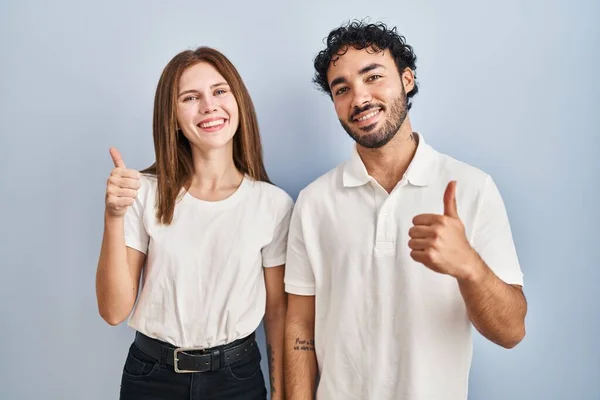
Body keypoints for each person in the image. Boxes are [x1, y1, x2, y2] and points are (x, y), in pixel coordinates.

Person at [283, 20, 528, 400]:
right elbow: (299, 323)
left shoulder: (473, 188)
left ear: (407, 79)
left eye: (373, 76)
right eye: (342, 89)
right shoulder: (314, 202)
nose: (359, 98)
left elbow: (511, 332)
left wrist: (469, 267)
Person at [95, 46, 292, 400]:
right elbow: (113, 311)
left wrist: (280, 393)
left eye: (219, 91)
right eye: (190, 97)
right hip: (152, 378)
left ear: (238, 102)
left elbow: (277, 313)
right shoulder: (144, 193)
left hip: (237, 379)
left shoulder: (272, 205)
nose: (209, 106)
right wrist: (113, 216)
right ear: (172, 117)